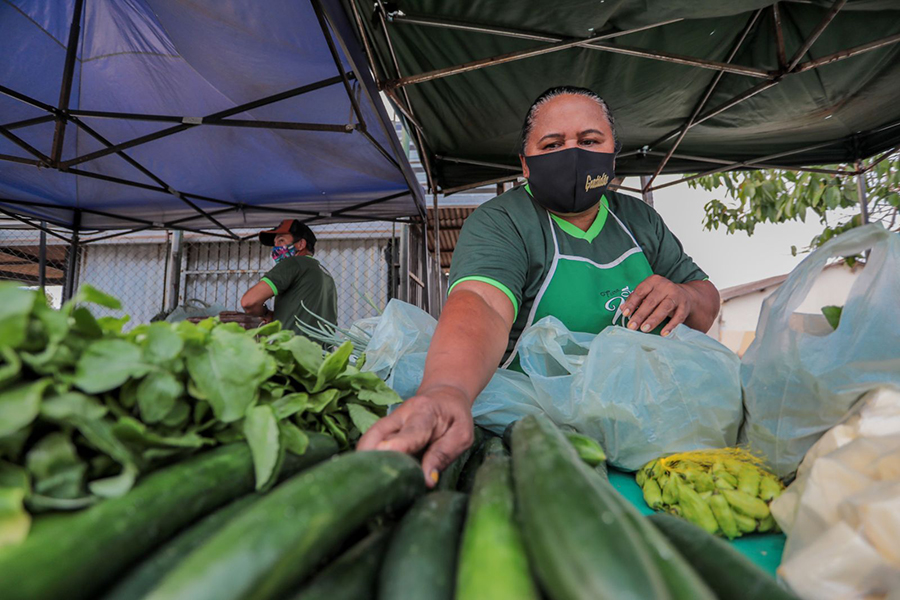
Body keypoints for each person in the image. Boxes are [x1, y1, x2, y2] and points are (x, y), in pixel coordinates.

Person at [358, 86, 720, 487]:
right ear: (526, 165)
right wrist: (446, 390)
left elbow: (703, 299)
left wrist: (684, 296)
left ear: (612, 153)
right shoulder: (503, 221)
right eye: (552, 144)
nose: (573, 154)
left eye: (589, 141)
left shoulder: (640, 220)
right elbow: (482, 303)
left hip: (640, 420)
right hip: (534, 427)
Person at [241, 219, 338, 334]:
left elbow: (249, 302)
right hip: (321, 350)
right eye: (275, 243)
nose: (275, 247)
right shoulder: (325, 274)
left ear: (301, 244)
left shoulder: (293, 263)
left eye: (281, 241)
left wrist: (266, 314)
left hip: (293, 348)